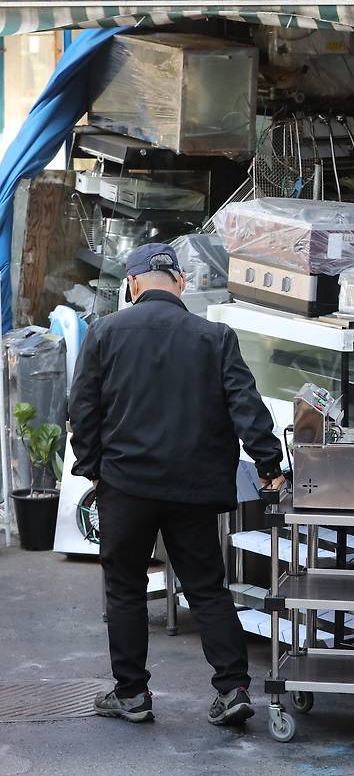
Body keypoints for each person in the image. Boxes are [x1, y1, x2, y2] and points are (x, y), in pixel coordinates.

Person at [69, 243, 284, 726]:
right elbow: (246, 406)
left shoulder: (105, 332)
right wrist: (270, 462)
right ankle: (232, 690)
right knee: (207, 587)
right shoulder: (214, 336)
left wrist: (93, 467)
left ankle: (131, 694)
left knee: (124, 585)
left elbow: (82, 411)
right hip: (193, 489)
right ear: (181, 283)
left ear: (133, 284)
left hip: (126, 486)